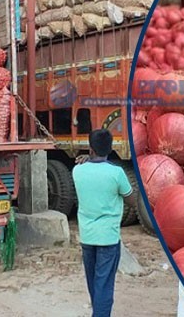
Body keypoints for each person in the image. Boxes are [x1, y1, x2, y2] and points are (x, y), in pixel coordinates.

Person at [73, 129, 136, 317]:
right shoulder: (117, 173)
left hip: (87, 236)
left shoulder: (77, 171)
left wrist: (86, 159)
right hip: (108, 238)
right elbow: (132, 200)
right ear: (110, 149)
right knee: (104, 285)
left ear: (90, 149)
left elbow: (89, 168)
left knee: (93, 283)